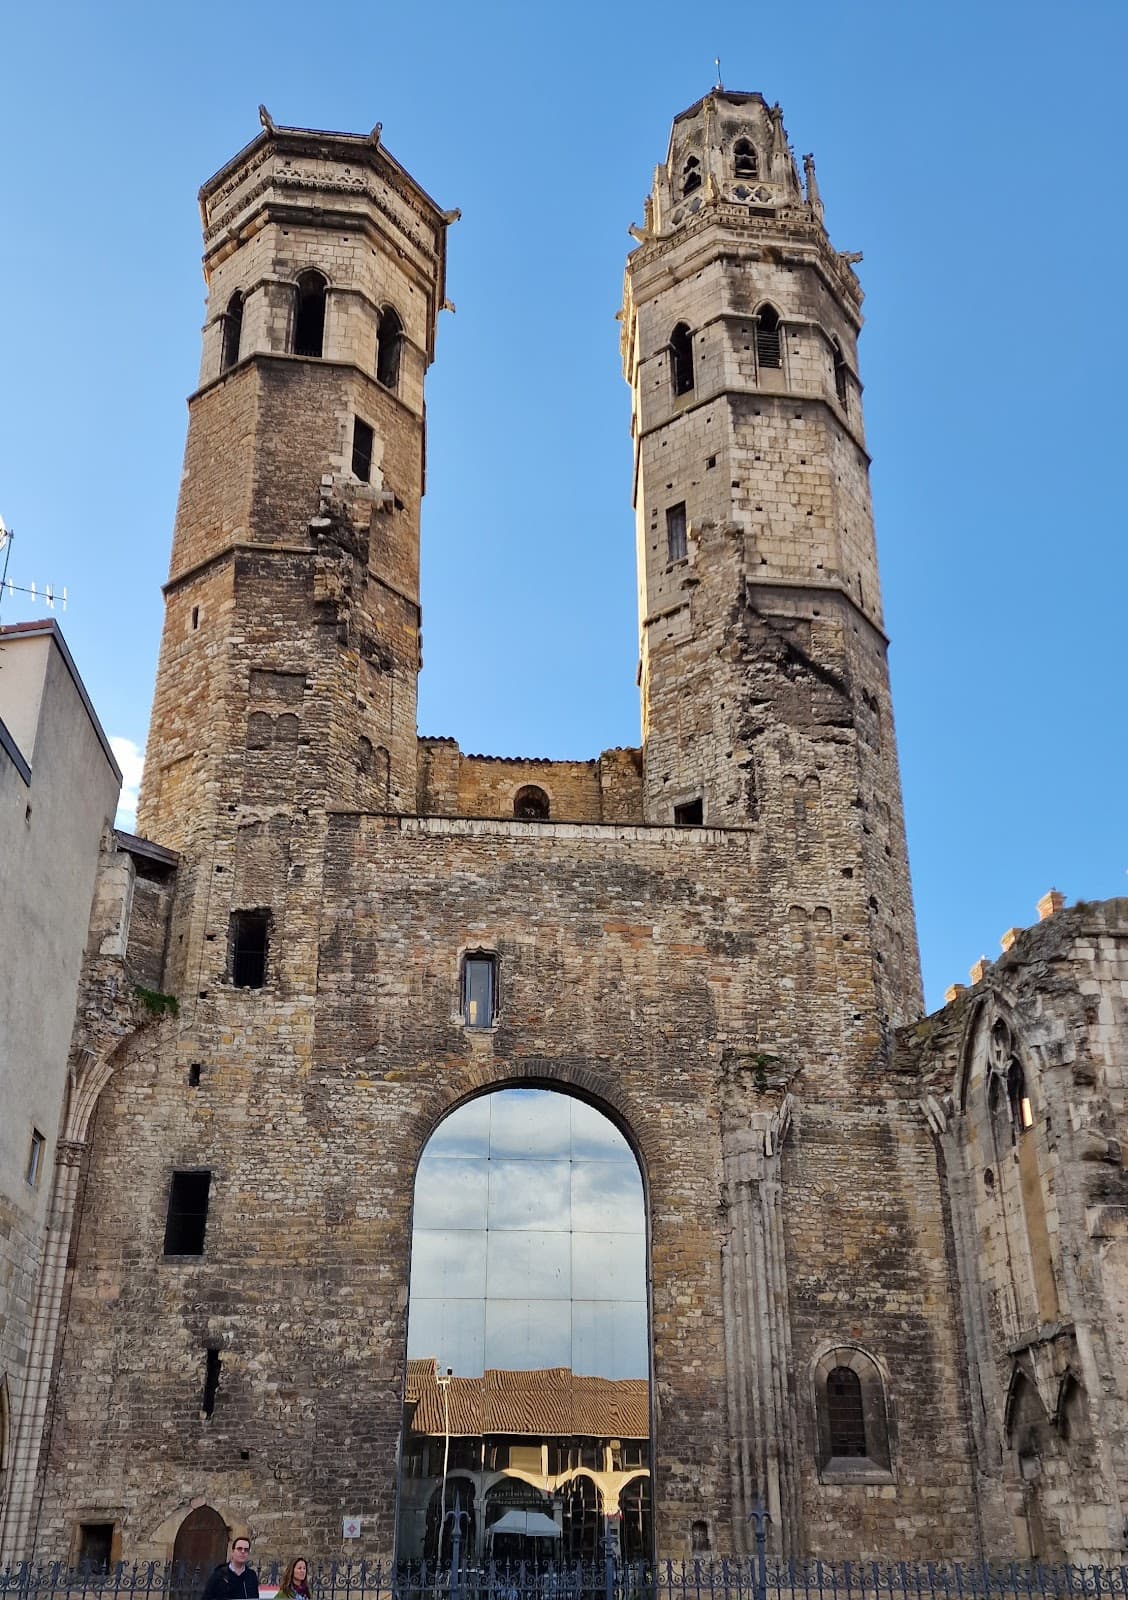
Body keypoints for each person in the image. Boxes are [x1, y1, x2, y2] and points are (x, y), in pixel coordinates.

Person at [201, 1535, 259, 1600]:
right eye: (239, 1549)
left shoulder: (251, 1576)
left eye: (246, 1550)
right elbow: (206, 1597)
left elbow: (255, 1597)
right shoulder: (219, 1574)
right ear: (233, 1552)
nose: (243, 1552)